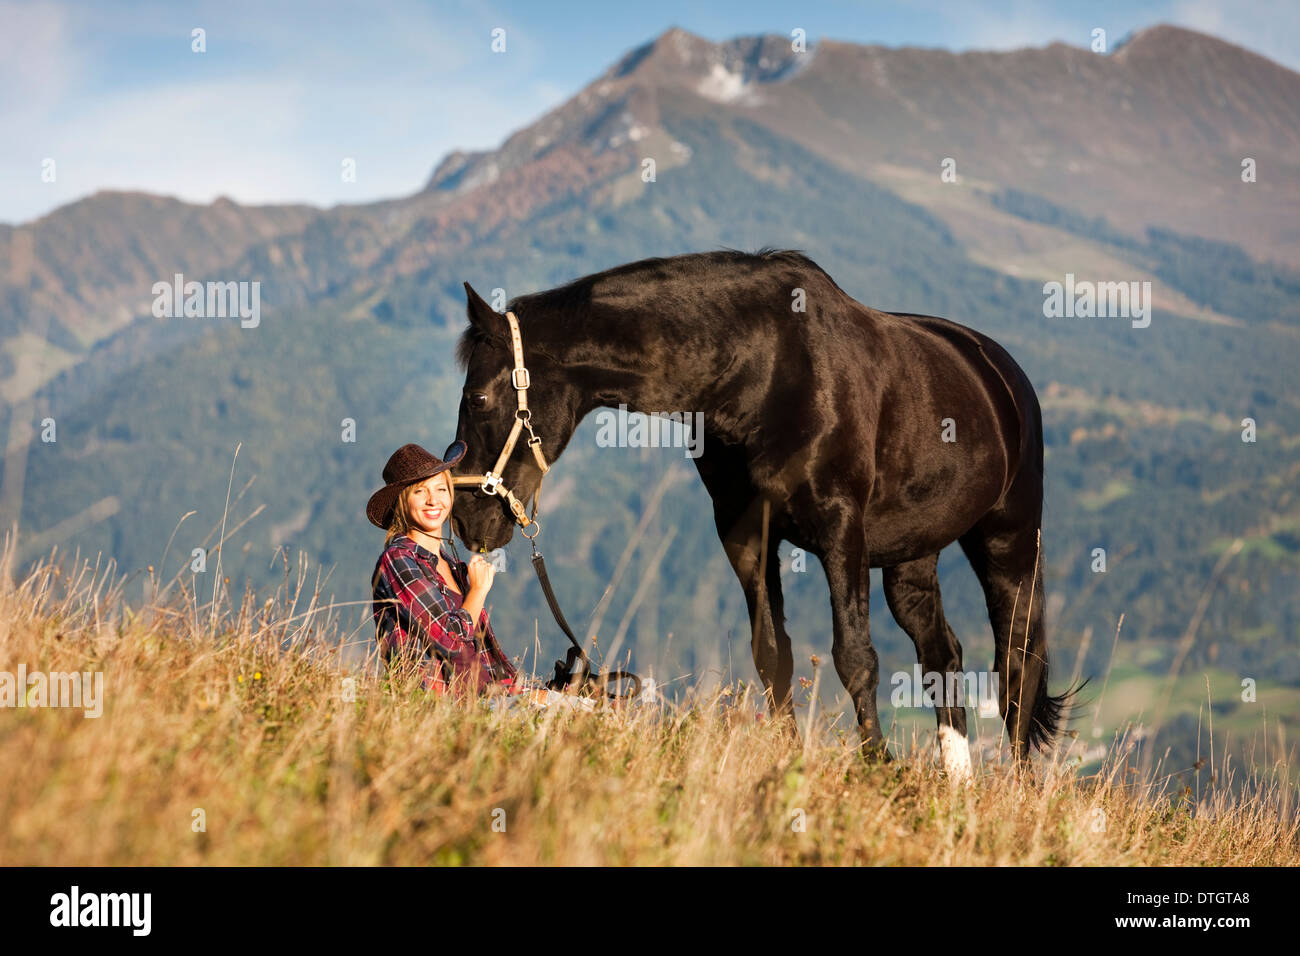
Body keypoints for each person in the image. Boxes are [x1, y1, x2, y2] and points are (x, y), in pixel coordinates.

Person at [366, 441, 590, 710]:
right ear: (403, 502)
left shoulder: (450, 565)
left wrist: (532, 693)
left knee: (593, 713)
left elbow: (481, 658)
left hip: (488, 698)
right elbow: (449, 640)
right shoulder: (399, 559)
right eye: (419, 492)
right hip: (444, 705)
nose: (433, 500)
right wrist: (478, 592)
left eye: (440, 489)